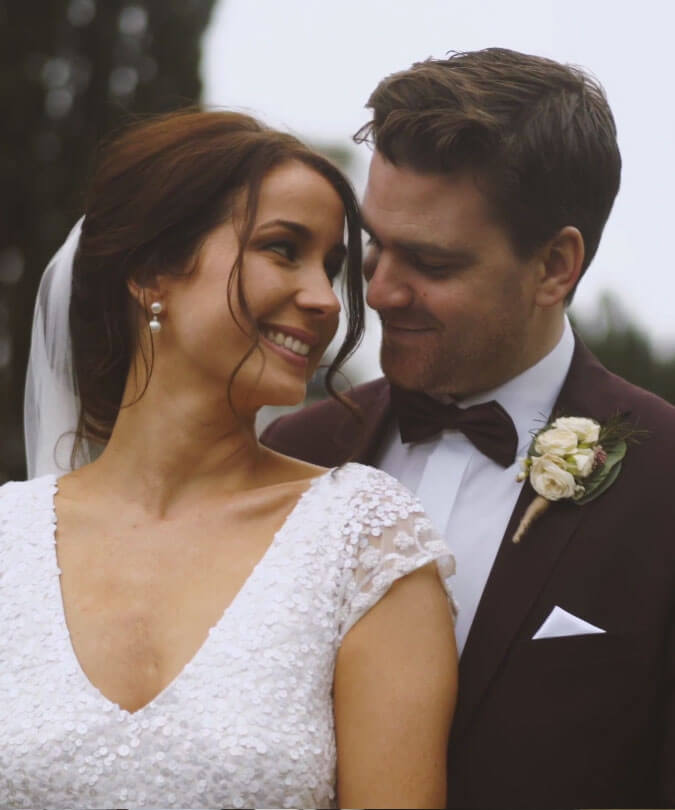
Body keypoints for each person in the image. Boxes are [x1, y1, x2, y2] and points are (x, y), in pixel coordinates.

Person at [2, 110, 458, 810]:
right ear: (153, 269)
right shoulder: (9, 539)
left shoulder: (364, 540)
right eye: (282, 250)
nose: (323, 299)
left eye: (331, 268)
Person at [261, 48, 675, 809]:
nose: (379, 291)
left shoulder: (667, 481)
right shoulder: (285, 459)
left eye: (431, 262)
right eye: (375, 244)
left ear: (555, 265)